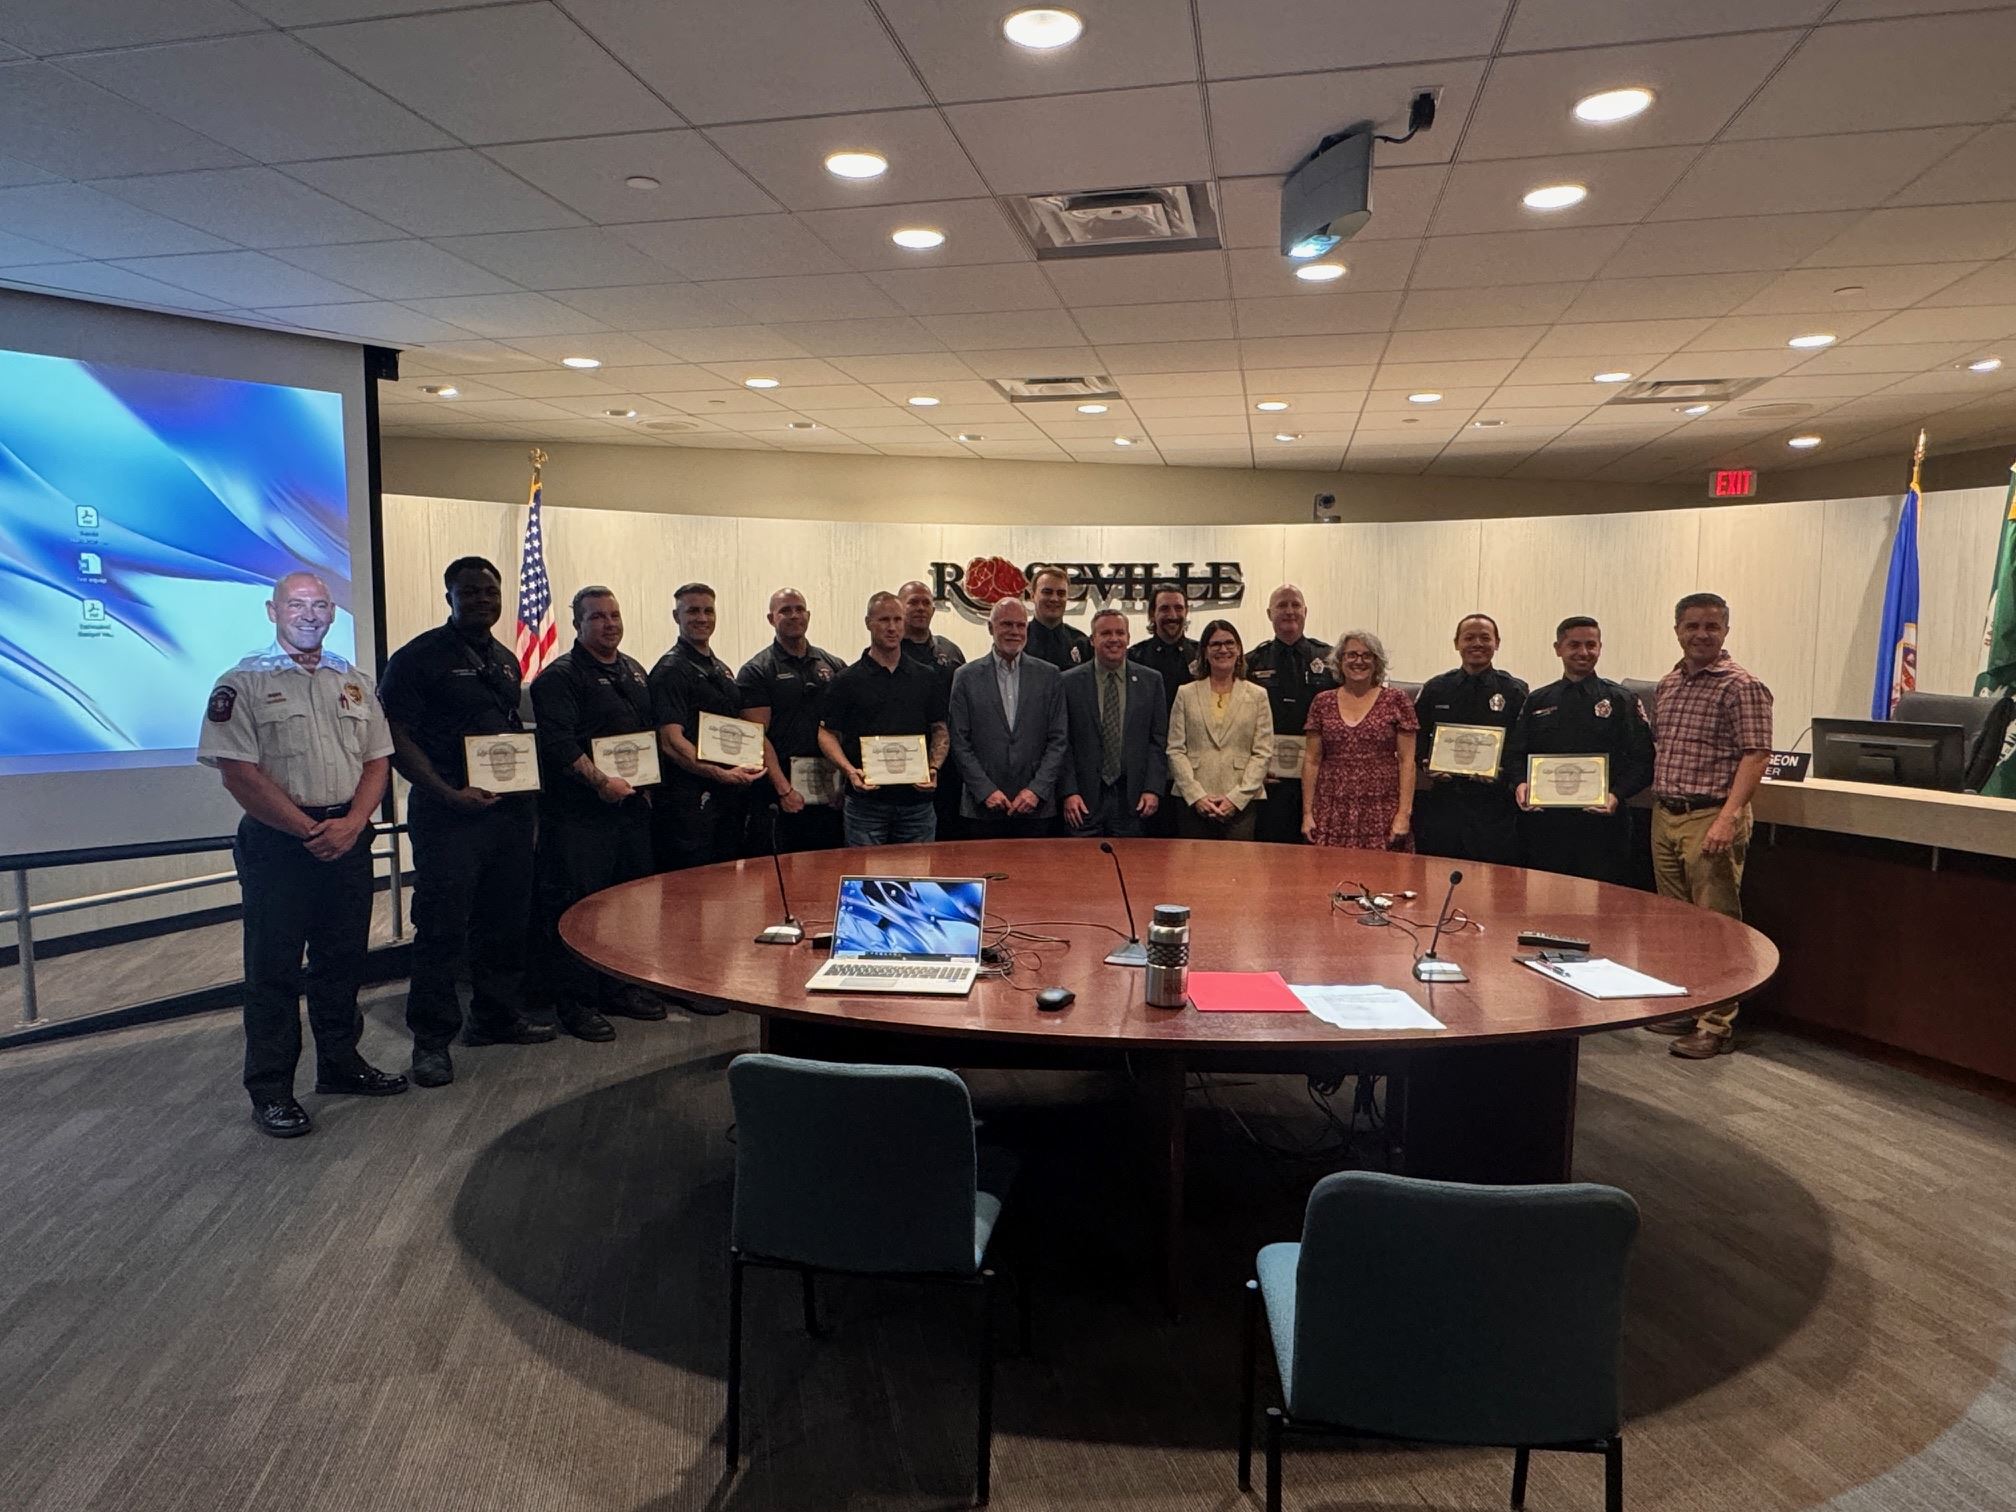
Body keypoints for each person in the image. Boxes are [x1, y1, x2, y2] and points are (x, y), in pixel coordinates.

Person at [197, 570, 406, 1138]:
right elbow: (237, 773)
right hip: (280, 843)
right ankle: (271, 1089)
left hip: (347, 833)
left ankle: (340, 1065)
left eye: (320, 605)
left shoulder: (355, 681)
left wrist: (353, 824)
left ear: (333, 613)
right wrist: (309, 829)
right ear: (272, 611)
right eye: (297, 604)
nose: (310, 614)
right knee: (273, 971)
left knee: (342, 963)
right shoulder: (240, 683)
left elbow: (377, 761)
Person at [378, 556, 554, 1092]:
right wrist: (447, 792)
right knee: (441, 928)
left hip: (505, 813)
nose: (482, 600)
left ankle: (494, 1018)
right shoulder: (418, 658)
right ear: (448, 596)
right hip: (447, 813)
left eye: (490, 592)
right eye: (471, 592)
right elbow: (396, 738)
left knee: (504, 920)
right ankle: (431, 1041)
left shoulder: (503, 659)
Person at [529, 586, 661, 1042]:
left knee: (628, 905)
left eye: (615, 615)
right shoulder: (559, 677)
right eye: (598, 617)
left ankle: (618, 987)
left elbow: (645, 737)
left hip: (630, 813)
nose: (610, 623)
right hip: (581, 817)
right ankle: (577, 1002)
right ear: (577, 625)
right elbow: (559, 743)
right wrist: (601, 782)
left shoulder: (635, 671)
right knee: (580, 909)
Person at [1648, 592, 1773, 1060]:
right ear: (1676, 629)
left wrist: (1729, 816)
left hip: (1711, 816)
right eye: (1692, 626)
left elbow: (1756, 753)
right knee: (1675, 922)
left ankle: (1716, 1024)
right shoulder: (1668, 684)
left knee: (1717, 925)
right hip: (1667, 814)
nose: (1701, 634)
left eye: (1711, 627)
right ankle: (1688, 1003)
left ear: (1726, 631)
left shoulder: (1742, 685)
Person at [1504, 616, 1655, 885]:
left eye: (1591, 645)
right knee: (1542, 901)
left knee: (1601, 909)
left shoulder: (1621, 699)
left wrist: (1616, 795)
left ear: (1600, 647)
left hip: (1602, 826)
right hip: (1545, 826)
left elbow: (1643, 760)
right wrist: (1520, 783)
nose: (1583, 652)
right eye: (1574, 644)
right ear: (1558, 648)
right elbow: (1515, 753)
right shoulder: (1538, 699)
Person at [819, 591, 950, 846]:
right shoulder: (846, 680)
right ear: (869, 623)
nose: (892, 628)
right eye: (884, 620)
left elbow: (940, 729)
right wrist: (849, 771)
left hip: (917, 806)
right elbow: (827, 733)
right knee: (867, 880)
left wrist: (933, 768)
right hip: (865, 806)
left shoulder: (927, 677)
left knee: (917, 879)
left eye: (898, 620)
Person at [649, 582, 764, 872]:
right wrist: (720, 773)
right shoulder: (670, 671)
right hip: (689, 802)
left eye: (708, 611)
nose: (702, 618)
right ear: (677, 617)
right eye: (693, 611)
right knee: (691, 888)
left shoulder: (721, 669)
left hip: (726, 798)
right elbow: (671, 742)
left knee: (725, 882)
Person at [948, 597, 1070, 838]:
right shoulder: (965, 677)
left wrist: (1036, 791)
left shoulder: (1049, 675)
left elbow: (1059, 740)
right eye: (1006, 624)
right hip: (982, 808)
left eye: (1020, 625)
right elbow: (960, 742)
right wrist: (986, 791)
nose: (1014, 632)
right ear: (991, 628)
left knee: (1037, 876)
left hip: (1037, 808)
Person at [738, 587, 847, 854]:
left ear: (808, 615)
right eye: (785, 610)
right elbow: (755, 736)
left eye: (799, 609)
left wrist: (843, 784)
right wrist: (783, 789)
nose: (794, 615)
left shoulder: (833, 666)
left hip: (829, 795)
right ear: (771, 618)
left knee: (828, 873)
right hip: (779, 795)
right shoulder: (756, 670)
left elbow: (844, 729)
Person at [1413, 613, 1526, 865]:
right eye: (1469, 637)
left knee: (1490, 883)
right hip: (1445, 801)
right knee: (1438, 874)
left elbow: (1522, 744)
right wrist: (1424, 763)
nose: (1477, 643)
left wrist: (1504, 771)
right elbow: (1416, 736)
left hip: (1493, 805)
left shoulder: (1515, 690)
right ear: (1456, 643)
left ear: (1497, 643)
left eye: (1485, 638)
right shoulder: (1436, 688)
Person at [1301, 630, 1419, 851]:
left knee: (1383, 879)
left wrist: (1404, 814)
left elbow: (1406, 761)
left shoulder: (1397, 700)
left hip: (1381, 808)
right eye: (1351, 655)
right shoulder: (1322, 702)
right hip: (1331, 808)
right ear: (1340, 660)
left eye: (1367, 655)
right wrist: (1307, 813)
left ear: (1377, 662)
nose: (1359, 661)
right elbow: (1312, 760)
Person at [1059, 608, 1168, 837]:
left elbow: (1157, 741)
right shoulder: (1068, 682)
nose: (1114, 639)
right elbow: (1061, 742)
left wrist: (1152, 789)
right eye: (1106, 633)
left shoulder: (1151, 681)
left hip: (1133, 799)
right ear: (1092, 639)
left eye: (1120, 633)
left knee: (1131, 869)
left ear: (1128, 638)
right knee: (1081, 868)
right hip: (1083, 800)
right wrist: (1069, 792)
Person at [1166, 619, 1273, 841]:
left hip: (1241, 803)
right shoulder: (1185, 693)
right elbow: (1175, 750)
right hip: (1193, 802)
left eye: (1229, 643)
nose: (1223, 649)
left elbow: (1262, 752)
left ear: (1239, 650)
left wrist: (1236, 799)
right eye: (1215, 644)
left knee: (1237, 871)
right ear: (1204, 652)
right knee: (1192, 871)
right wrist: (1196, 797)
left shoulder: (1257, 695)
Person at [1244, 583, 1335, 845]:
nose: (1289, 611)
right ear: (1269, 613)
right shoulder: (1252, 662)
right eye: (1281, 605)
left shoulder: (1329, 660)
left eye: (1295, 605)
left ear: (1306, 611)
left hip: (1318, 776)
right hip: (1268, 778)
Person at [898, 578, 967, 839]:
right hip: (901, 762)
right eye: (912, 602)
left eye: (926, 602)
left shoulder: (951, 652)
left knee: (949, 835)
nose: (920, 608)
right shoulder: (888, 651)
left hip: (950, 762)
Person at [1129, 586, 1198, 836]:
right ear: (1151, 614)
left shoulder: (1203, 655)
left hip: (1194, 770)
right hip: (1146, 770)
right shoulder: (1134, 657)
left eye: (1179, 608)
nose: (1172, 614)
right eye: (1165, 608)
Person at [1024, 563, 1093, 671]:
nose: (1054, 599)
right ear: (1033, 596)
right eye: (1047, 592)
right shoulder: (1020, 640)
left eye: (1061, 593)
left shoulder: (1081, 643)